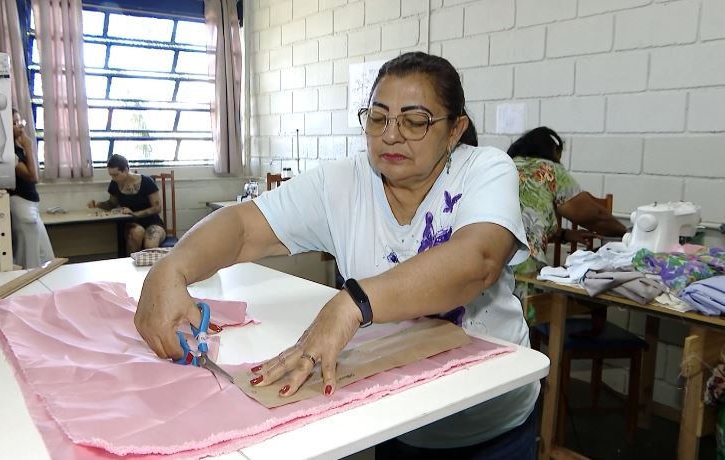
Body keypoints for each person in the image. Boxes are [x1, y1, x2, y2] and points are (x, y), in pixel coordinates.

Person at [135, 52, 538, 457]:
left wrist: (353, 303)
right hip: (400, 416)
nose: (391, 136)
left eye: (415, 122)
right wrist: (172, 267)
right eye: (378, 118)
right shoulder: (344, 183)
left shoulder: (484, 170)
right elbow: (242, 226)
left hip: (491, 421)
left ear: (455, 130)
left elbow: (478, 261)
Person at [508, 127, 627, 276]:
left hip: (489, 259)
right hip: (522, 266)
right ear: (554, 150)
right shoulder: (547, 169)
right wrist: (627, 233)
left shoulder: (506, 165)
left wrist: (563, 234)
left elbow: (525, 216)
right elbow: (596, 217)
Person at [87, 154, 165, 254]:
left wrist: (135, 214)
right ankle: (130, 266)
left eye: (116, 175)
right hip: (130, 223)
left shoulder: (146, 181)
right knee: (137, 232)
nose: (113, 178)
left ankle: (151, 269)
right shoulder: (114, 184)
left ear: (126, 170)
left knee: (150, 246)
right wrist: (98, 204)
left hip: (153, 222)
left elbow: (157, 208)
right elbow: (112, 204)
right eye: (111, 175)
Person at [9, 109, 55, 269]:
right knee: (30, 256)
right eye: (14, 123)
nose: (20, 127)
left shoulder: (17, 148)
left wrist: (26, 148)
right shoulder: (9, 151)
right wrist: (29, 147)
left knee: (44, 254)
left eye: (20, 122)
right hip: (20, 204)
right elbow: (33, 176)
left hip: (30, 205)